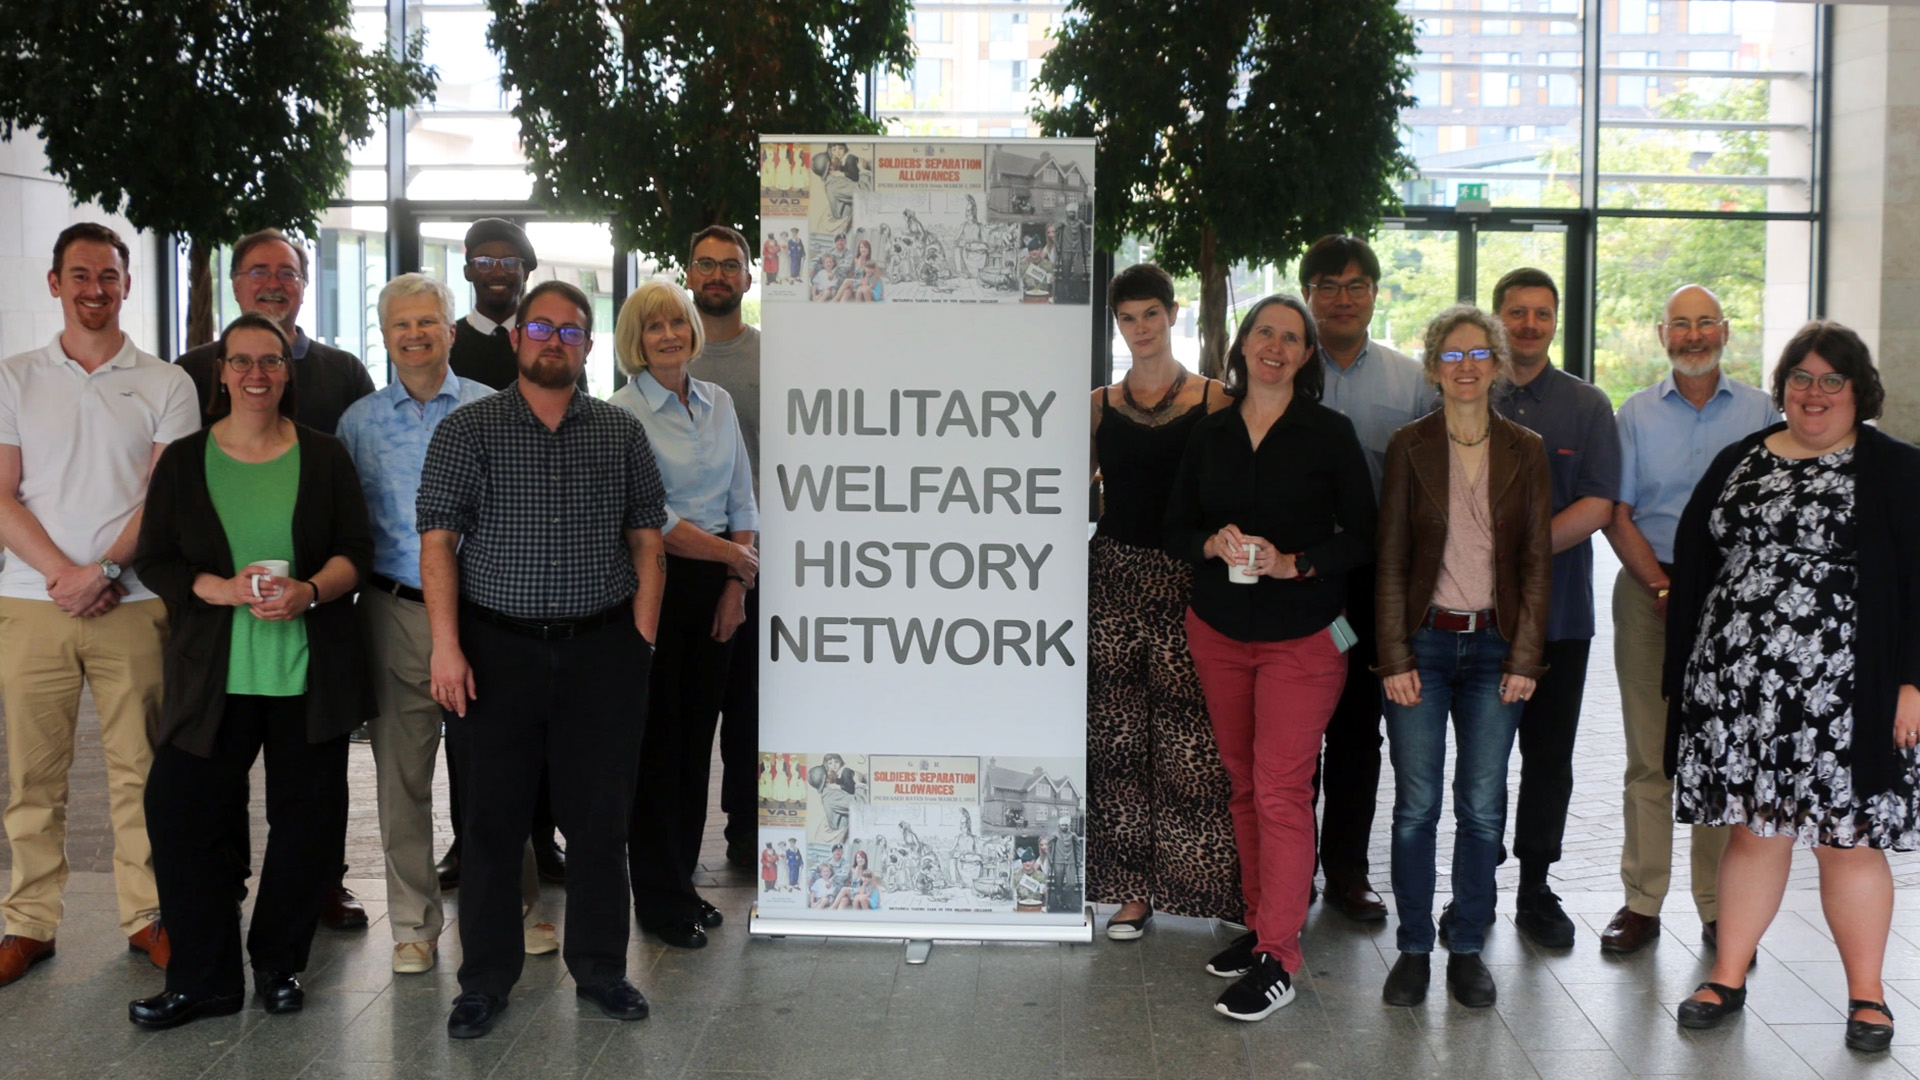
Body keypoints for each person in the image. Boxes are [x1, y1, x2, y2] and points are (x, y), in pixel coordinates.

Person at [417, 280, 667, 1038]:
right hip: (495, 653)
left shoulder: (619, 433)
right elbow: (438, 545)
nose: (553, 342)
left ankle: (601, 972)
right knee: (491, 825)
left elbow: (648, 542)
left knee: (600, 826)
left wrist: (641, 642)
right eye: (541, 328)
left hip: (601, 653)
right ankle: (485, 981)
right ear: (518, 338)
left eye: (570, 331)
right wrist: (447, 647)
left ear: (587, 346)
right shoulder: (469, 430)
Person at [1666, 323, 1920, 1054]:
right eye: (1801, 379)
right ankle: (1727, 976)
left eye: (1831, 380)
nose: (1814, 394)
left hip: (1849, 693)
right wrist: (1694, 675)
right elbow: (1701, 557)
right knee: (1753, 832)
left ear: (1858, 390)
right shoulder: (1741, 458)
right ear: (1782, 388)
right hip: (1744, 689)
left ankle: (1868, 996)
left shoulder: (1897, 470)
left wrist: (1912, 682)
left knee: (1848, 841)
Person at [128, 313, 375, 1028]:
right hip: (213, 678)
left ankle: (278, 965)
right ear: (222, 373)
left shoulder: (324, 456)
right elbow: (158, 558)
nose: (257, 374)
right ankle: (205, 978)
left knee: (307, 826)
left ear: (287, 372)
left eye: (270, 361)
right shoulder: (184, 460)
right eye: (242, 362)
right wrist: (219, 588)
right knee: (179, 813)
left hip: (307, 675)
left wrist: (310, 590)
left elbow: (355, 549)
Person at [335, 274, 556, 974]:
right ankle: (413, 924)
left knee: (494, 770)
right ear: (386, 335)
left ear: (451, 331)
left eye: (428, 321)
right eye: (401, 324)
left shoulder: (498, 408)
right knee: (401, 776)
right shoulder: (358, 423)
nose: (415, 334)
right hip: (394, 610)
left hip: (483, 613)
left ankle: (514, 909)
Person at [1163, 294, 1375, 1022]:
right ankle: (1261, 925)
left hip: (1305, 636)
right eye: (1265, 333)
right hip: (1218, 629)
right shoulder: (1211, 432)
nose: (1275, 346)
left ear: (1307, 355)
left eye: (1292, 337)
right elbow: (1174, 527)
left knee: (1282, 789)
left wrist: (1297, 563)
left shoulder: (1330, 433)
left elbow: (1364, 537)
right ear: (1244, 345)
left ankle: (1279, 957)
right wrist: (1209, 544)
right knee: (1245, 785)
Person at [0, 223, 196, 987]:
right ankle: (28, 923)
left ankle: (147, 915)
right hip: (30, 601)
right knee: (32, 774)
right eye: (79, 276)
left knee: (139, 770)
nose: (94, 290)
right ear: (55, 283)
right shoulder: (14, 377)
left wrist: (107, 567)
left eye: (108, 277)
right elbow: (3, 494)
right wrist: (64, 573)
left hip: (135, 599)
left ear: (126, 286)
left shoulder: (165, 383)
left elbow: (163, 499)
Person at [174, 228, 376, 931]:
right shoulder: (192, 368)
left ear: (304, 282)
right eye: (257, 271)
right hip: (220, 621)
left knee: (312, 782)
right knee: (213, 773)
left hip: (312, 611)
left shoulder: (344, 373)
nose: (272, 282)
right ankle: (224, 886)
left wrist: (320, 585)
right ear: (234, 284)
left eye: (286, 272)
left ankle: (321, 885)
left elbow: (358, 497)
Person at [1375, 305, 1551, 1010]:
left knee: (1481, 808)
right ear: (1432, 368)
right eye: (1453, 356)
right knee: (1416, 807)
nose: (1467, 367)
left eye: (1480, 355)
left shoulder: (1526, 449)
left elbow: (1539, 561)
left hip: (1496, 651)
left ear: (1499, 365)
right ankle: (1414, 946)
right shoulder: (1408, 445)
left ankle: (1469, 947)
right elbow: (1389, 563)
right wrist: (1392, 657)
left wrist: (1526, 656)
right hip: (1420, 642)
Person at [1599, 284, 1779, 955]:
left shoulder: (1763, 410)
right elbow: (1617, 514)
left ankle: (1717, 907)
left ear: (1726, 332)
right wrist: (1661, 585)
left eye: (1706, 324)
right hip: (1651, 594)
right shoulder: (1636, 415)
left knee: (1718, 755)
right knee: (1650, 756)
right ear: (1661, 334)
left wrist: (1730, 594)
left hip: (1735, 606)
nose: (1694, 336)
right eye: (1682, 324)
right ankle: (1642, 903)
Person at [1083, 263, 1238, 943]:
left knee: (1194, 740)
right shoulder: (1096, 404)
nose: (1140, 328)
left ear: (1172, 315)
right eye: (1127, 318)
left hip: (1187, 579)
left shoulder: (1215, 400)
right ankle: (1131, 893)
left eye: (1150, 314)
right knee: (1118, 740)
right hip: (1112, 574)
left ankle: (1210, 888)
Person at [609, 281, 758, 950]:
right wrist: (731, 553)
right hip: (655, 586)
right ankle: (659, 901)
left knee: (697, 747)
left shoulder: (718, 402)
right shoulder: (621, 414)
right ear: (636, 341)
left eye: (677, 321)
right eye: (653, 327)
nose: (668, 333)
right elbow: (654, 518)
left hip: (718, 585)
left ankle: (683, 886)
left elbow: (743, 498)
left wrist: (735, 580)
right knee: (658, 749)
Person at [1298, 234, 1431, 921]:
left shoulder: (1412, 382)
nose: (1342, 298)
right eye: (1327, 285)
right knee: (1292, 732)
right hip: (1292, 580)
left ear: (1376, 294)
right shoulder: (1284, 368)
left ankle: (1348, 868)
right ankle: (1291, 872)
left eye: (1356, 285)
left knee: (1355, 730)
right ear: (1308, 296)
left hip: (1369, 586)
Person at [1486, 268, 1620, 948]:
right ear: (1497, 317)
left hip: (1561, 619)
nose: (1529, 324)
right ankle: (1477, 881)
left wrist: (1521, 550)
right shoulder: (1468, 393)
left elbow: (1598, 503)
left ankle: (1536, 886)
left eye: (1541, 313)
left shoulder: (1588, 406)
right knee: (1481, 758)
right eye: (1517, 312)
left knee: (1548, 759)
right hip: (1478, 619)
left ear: (1555, 320)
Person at [439, 218, 572, 890]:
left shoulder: (549, 346)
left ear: (525, 269)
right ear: (467, 267)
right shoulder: (447, 345)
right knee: (473, 729)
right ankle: (471, 843)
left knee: (543, 727)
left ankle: (544, 843)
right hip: (466, 569)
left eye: (510, 260)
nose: (499, 270)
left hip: (536, 569)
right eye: (486, 259)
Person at [684, 226, 763, 870]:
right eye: (706, 265)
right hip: (679, 563)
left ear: (747, 277)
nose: (717, 276)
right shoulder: (665, 359)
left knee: (749, 703)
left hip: (759, 554)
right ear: (689, 274)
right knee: (684, 711)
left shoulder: (775, 359)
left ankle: (745, 827)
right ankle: (674, 834)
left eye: (729, 266)